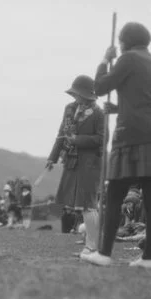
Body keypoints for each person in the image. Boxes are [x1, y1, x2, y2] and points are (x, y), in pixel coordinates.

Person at [80, 22, 151, 269]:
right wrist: (120, 108)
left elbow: (99, 88)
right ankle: (148, 259)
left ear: (124, 41)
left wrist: (105, 60)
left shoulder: (127, 59)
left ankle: (103, 254)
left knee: (114, 194)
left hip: (134, 135)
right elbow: (146, 100)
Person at [46, 74, 105, 252]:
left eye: (77, 94)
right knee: (77, 205)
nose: (74, 97)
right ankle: (89, 241)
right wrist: (53, 157)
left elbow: (102, 139)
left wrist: (77, 139)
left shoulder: (99, 113)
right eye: (74, 94)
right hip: (72, 161)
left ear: (87, 95)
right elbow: (61, 134)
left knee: (88, 204)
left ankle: (93, 246)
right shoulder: (69, 109)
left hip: (90, 163)